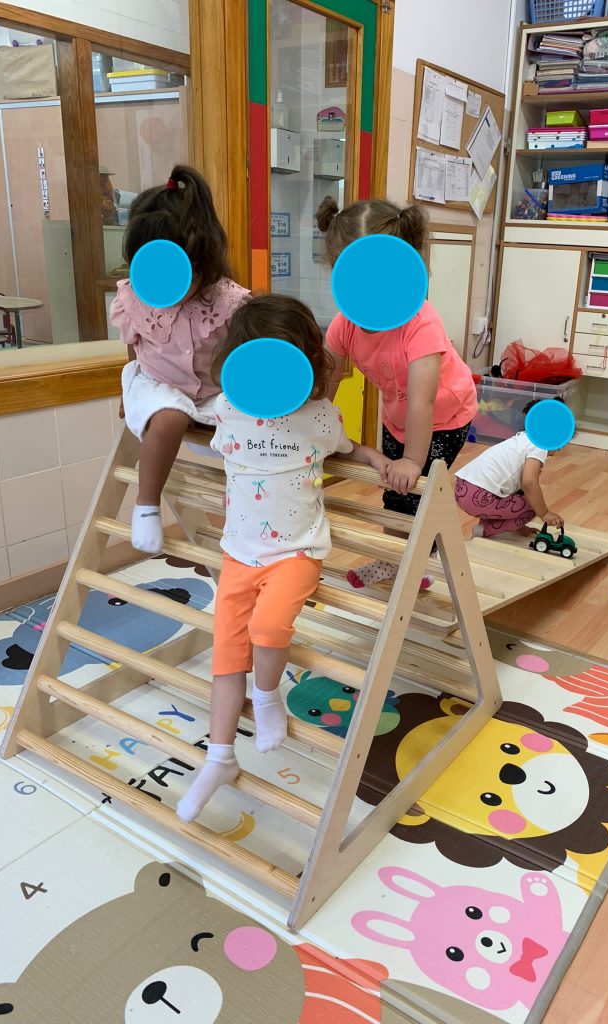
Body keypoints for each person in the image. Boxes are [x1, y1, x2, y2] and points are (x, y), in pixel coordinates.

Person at [176, 293, 390, 823]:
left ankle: (268, 695)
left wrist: (380, 459)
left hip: (296, 552)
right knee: (227, 655)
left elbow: (349, 448)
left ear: (307, 365)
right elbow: (186, 409)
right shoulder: (228, 408)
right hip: (239, 554)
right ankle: (219, 757)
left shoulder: (319, 416)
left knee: (269, 628)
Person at [317, 196, 477, 589]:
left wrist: (411, 459)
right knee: (394, 491)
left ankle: (416, 561)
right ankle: (396, 559)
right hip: (398, 415)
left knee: (416, 491)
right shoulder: (346, 323)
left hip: (445, 417)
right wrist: (312, 425)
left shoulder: (420, 323)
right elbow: (327, 379)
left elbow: (422, 403)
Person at [112, 164, 249, 555]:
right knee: (170, 417)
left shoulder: (228, 300)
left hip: (211, 392)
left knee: (254, 429)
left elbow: (241, 356)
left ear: (203, 262)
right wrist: (128, 393)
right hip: (158, 383)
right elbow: (134, 345)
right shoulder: (134, 297)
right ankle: (146, 505)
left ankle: (249, 515)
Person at [453, 398, 564, 538]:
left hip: (463, 488)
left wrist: (519, 526)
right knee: (531, 506)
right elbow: (529, 484)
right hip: (478, 495)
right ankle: (483, 531)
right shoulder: (539, 446)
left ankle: (493, 526)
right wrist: (544, 513)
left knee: (516, 495)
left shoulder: (521, 438)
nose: (558, 449)